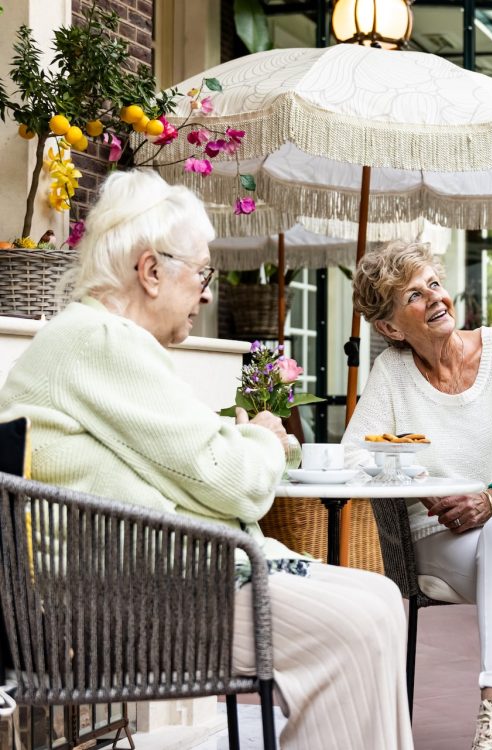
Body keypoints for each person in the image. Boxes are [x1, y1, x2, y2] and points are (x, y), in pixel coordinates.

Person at [0, 169, 414, 750]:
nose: (208, 292)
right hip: (121, 599)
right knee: (354, 624)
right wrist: (264, 439)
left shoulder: (92, 342)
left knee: (378, 600)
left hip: (145, 574)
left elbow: (194, 472)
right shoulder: (99, 341)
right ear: (150, 271)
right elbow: (232, 482)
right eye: (202, 273)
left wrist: (234, 454)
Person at [342, 240, 492, 750]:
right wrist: (414, 482)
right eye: (413, 296)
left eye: (434, 284)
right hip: (444, 537)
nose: (434, 299)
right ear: (388, 328)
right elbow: (354, 457)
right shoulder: (393, 374)